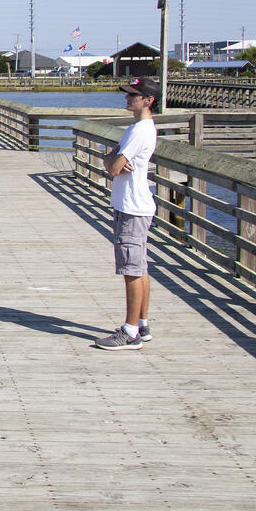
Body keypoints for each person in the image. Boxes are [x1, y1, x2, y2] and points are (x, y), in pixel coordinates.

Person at [95, 77, 159, 351]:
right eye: (128, 94)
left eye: (134, 95)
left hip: (132, 207)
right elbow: (114, 162)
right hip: (134, 204)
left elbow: (112, 167)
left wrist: (111, 158)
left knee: (131, 270)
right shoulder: (137, 128)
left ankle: (130, 332)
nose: (127, 98)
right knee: (140, 267)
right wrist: (113, 158)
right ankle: (142, 324)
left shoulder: (140, 131)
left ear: (148, 100)